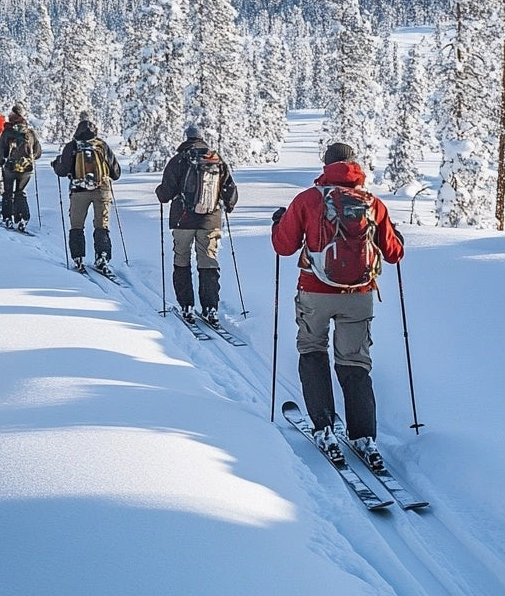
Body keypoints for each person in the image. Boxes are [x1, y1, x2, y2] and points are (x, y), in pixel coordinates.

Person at [271, 141, 404, 471]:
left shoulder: (307, 200)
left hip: (315, 292)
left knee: (312, 349)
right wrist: (396, 235)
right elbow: (394, 253)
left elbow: (283, 246)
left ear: (326, 166)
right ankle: (364, 436)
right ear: (354, 166)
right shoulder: (372, 203)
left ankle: (325, 427)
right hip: (359, 296)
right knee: (355, 361)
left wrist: (278, 222)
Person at [155, 124, 238, 326]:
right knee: (208, 261)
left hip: (183, 220)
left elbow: (165, 193)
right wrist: (227, 205)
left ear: (187, 137)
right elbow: (230, 190)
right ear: (202, 138)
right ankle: (210, 308)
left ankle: (187, 306)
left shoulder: (178, 160)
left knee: (182, 259)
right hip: (211, 219)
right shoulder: (215, 160)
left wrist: (160, 192)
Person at [52, 112, 122, 270]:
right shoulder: (101, 145)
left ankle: (78, 257)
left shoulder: (72, 146)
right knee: (101, 225)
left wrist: (56, 163)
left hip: (79, 190)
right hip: (102, 190)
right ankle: (103, 256)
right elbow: (116, 173)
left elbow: (62, 170)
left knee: (77, 225)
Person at [0, 104, 42, 230]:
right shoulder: (30, 132)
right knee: (20, 192)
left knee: (8, 193)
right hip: (26, 169)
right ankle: (23, 217)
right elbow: (38, 152)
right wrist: (30, 160)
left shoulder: (7, 132)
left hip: (9, 168)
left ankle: (7, 218)